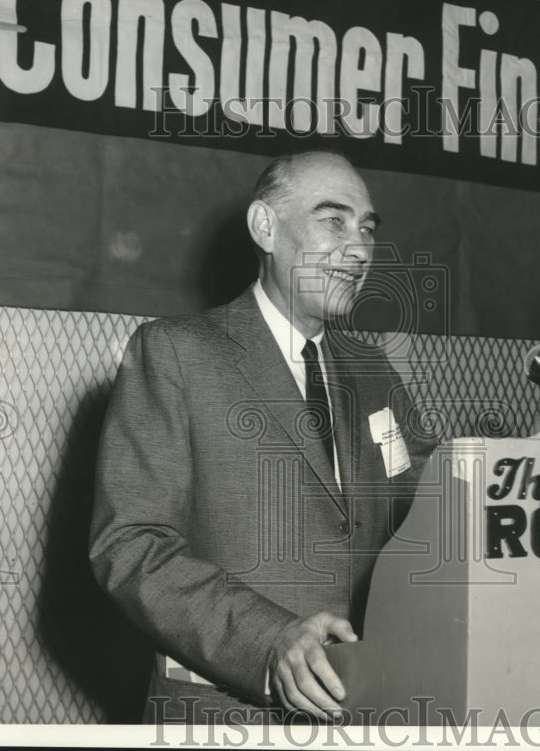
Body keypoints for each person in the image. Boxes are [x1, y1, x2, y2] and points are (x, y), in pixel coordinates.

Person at [89, 150, 437, 725]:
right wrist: (268, 641)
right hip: (226, 715)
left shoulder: (376, 372)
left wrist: (516, 472)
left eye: (367, 228)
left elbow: (425, 502)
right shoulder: (176, 353)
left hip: (367, 711)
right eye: (334, 221)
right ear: (265, 227)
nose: (359, 250)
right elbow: (130, 546)